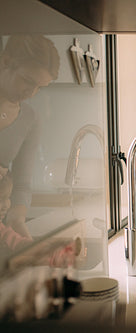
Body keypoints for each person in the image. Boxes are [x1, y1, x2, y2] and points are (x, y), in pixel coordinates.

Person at [0, 34, 59, 239]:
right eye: (27, 81)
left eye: (39, 87)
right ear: (6, 61)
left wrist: (16, 220)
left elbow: (22, 183)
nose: (31, 92)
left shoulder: (30, 119)